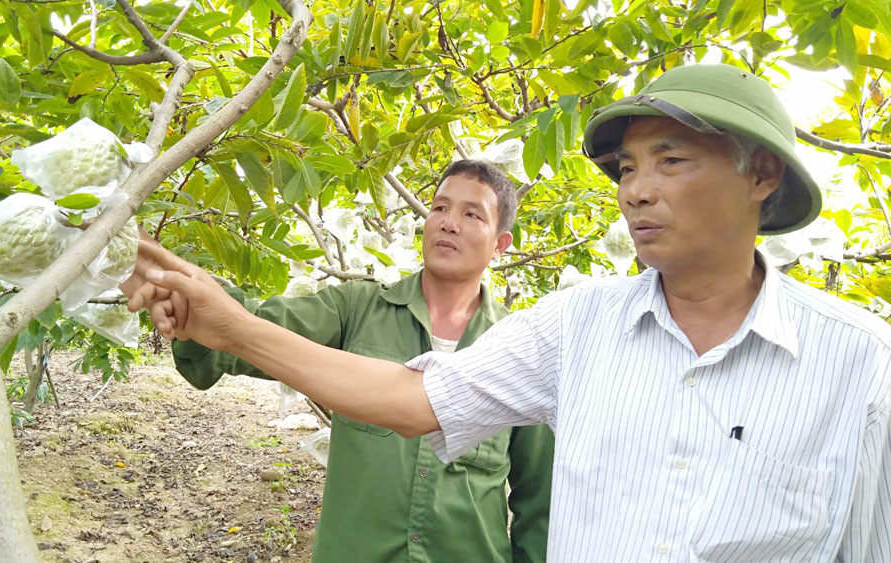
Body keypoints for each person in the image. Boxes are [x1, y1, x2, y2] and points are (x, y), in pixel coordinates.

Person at [133, 64, 891, 561]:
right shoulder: (574, 327)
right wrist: (223, 323)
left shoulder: (860, 362)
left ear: (760, 173)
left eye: (671, 160)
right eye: (628, 168)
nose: (636, 189)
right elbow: (413, 398)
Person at [123, 160, 554, 562]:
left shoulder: (517, 349)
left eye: (471, 214)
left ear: (500, 245)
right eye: (439, 206)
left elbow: (539, 500)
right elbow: (252, 329)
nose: (448, 222)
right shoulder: (357, 307)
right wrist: (175, 289)